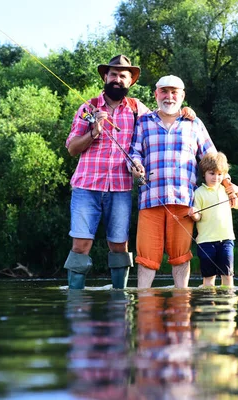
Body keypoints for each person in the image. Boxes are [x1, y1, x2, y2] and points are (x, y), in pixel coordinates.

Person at [130, 75, 238, 289]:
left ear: (182, 96)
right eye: (164, 91)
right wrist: (134, 165)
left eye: (174, 92)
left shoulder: (194, 123)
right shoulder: (143, 121)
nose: (169, 97)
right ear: (156, 94)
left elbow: (212, 158)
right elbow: (134, 152)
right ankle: (145, 304)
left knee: (181, 257)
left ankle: (181, 308)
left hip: (183, 202)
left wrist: (228, 184)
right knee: (146, 258)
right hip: (150, 200)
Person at [63, 54, 150, 290]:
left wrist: (186, 113)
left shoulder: (138, 110)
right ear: (105, 76)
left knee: (119, 245)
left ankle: (119, 299)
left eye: (123, 76)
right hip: (86, 187)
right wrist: (94, 131)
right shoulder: (87, 107)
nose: (117, 79)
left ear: (130, 82)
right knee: (81, 244)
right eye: (113, 74)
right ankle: (75, 298)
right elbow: (71, 148)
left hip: (121, 189)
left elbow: (157, 132)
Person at [187, 152, 238, 287]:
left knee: (228, 277)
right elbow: (198, 217)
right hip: (206, 242)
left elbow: (237, 205)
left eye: (219, 174)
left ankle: (228, 305)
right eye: (212, 174)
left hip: (226, 239)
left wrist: (237, 191)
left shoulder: (226, 190)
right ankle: (208, 306)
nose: (216, 177)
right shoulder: (198, 192)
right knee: (208, 279)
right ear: (204, 173)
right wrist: (194, 214)